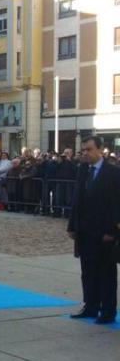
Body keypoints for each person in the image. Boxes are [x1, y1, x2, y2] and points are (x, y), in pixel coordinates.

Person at [67, 136, 120, 323]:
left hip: (104, 232)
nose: (85, 153)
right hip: (85, 231)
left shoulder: (113, 172)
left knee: (106, 273)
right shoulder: (83, 170)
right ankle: (90, 306)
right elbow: (77, 200)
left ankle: (107, 310)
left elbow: (117, 204)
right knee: (88, 271)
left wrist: (113, 231)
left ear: (100, 150)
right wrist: (72, 226)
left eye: (89, 149)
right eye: (83, 150)